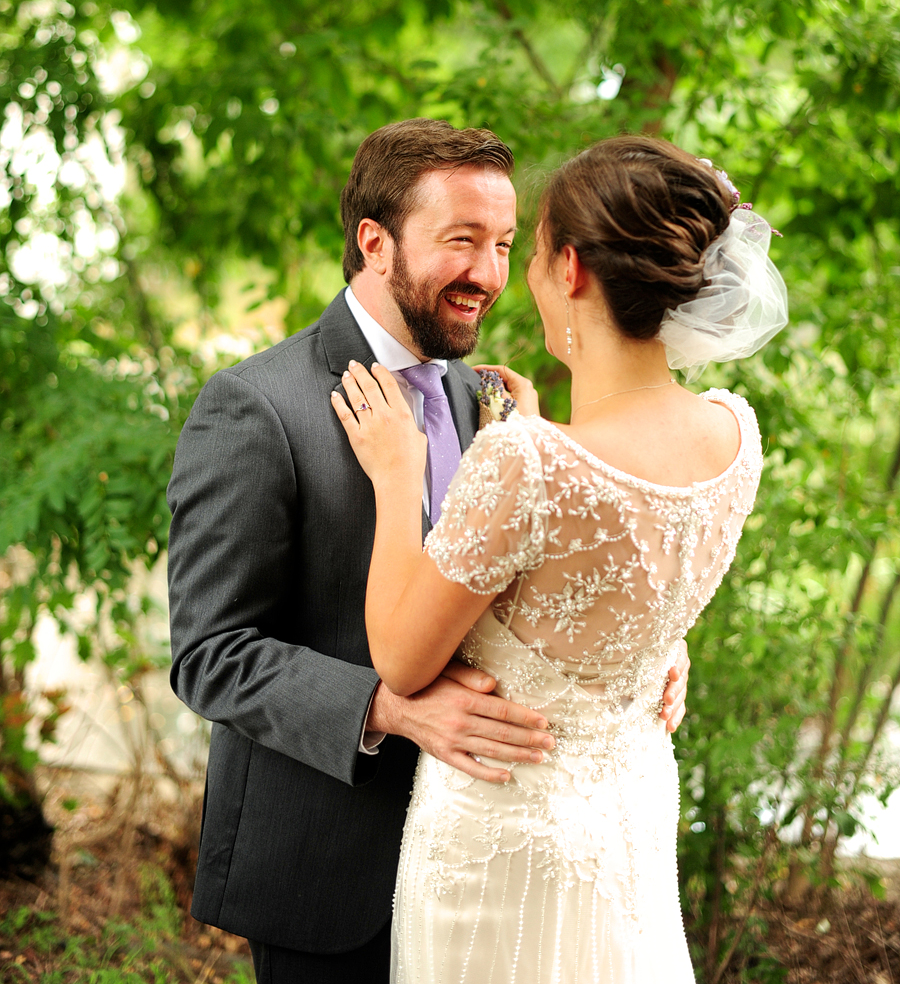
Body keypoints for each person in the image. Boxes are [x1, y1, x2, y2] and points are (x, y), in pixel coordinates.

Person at [166, 119, 690, 984]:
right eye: (461, 241)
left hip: (490, 868)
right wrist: (392, 708)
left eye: (503, 244)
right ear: (374, 242)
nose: (487, 275)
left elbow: (534, 586)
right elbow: (211, 655)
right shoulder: (254, 409)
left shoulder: (493, 401)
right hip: (331, 866)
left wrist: (645, 644)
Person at [331, 135, 789, 983]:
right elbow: (631, 586)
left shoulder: (527, 461)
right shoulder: (734, 436)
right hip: (628, 821)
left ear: (571, 269)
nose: (516, 278)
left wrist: (399, 479)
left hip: (497, 844)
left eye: (528, 252)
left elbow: (398, 656)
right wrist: (658, 646)